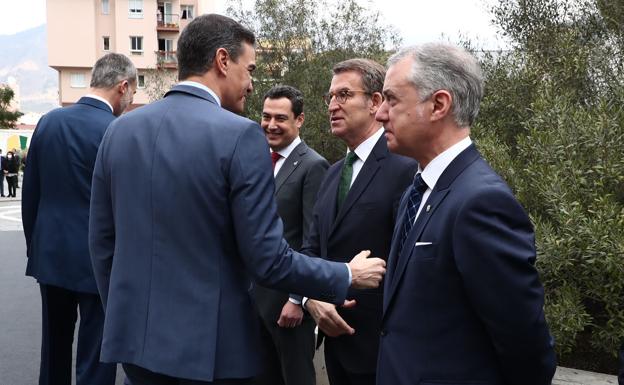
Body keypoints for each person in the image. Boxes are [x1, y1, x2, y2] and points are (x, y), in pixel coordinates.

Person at [88, 14, 386, 385]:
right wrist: (345, 274)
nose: (250, 84)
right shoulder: (240, 136)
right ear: (222, 61)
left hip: (132, 343)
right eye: (249, 69)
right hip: (210, 352)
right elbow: (268, 260)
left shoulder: (119, 132)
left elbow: (102, 245)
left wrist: (122, 312)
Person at [374, 43, 557, 385]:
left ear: (439, 105)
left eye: (392, 99)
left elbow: (525, 344)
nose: (380, 113)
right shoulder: (416, 192)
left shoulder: (481, 202)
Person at [21, 52, 137, 385]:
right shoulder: (119, 130)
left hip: (51, 254)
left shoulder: (48, 122)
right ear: (122, 86)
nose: (130, 102)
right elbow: (125, 204)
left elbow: (32, 194)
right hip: (99, 261)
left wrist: (36, 247)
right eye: (131, 95)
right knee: (96, 353)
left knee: (53, 350)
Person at [300, 59, 417, 385]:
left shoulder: (406, 168)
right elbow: (311, 248)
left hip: (384, 352)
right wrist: (312, 299)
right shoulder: (333, 173)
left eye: (344, 95)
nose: (332, 106)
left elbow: (409, 263)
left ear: (376, 102)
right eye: (330, 97)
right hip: (336, 347)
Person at [252, 85, 329, 385]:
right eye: (266, 116)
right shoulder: (257, 159)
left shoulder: (313, 166)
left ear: (300, 120)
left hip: (288, 304)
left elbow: (313, 238)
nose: (271, 124)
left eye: (280, 118)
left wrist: (298, 299)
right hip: (256, 300)